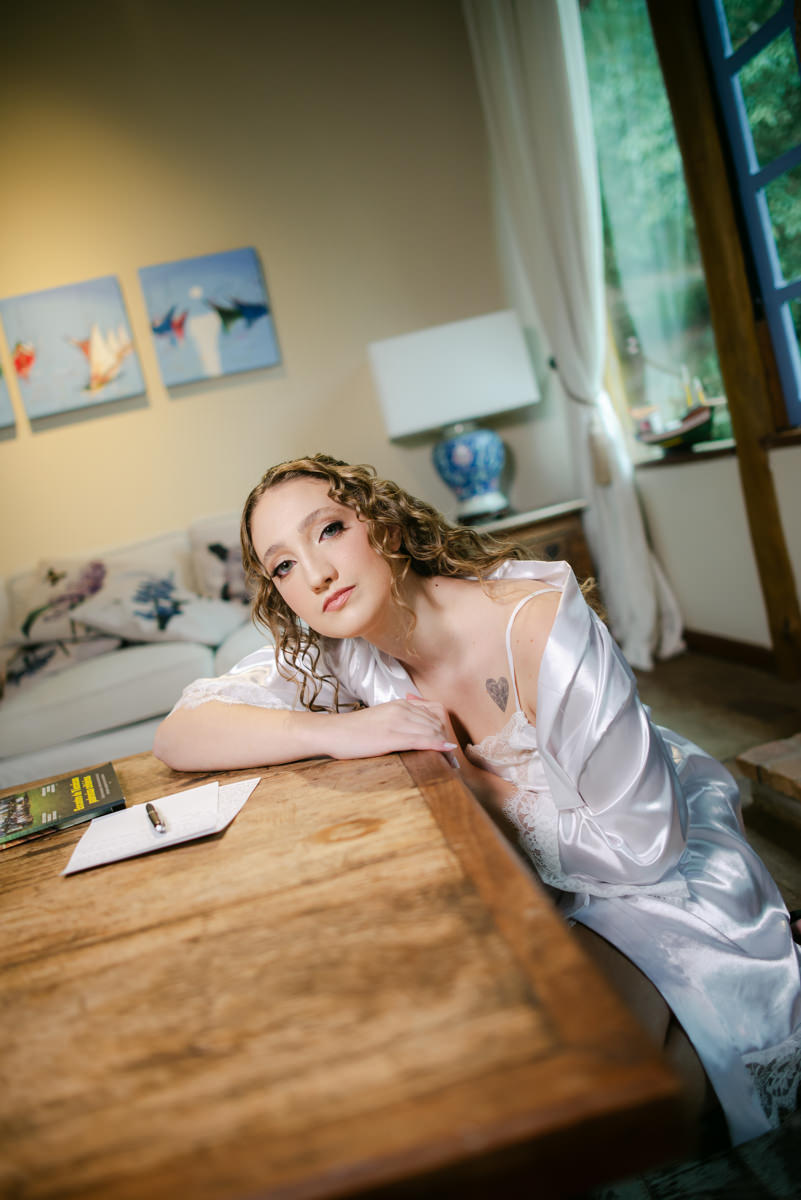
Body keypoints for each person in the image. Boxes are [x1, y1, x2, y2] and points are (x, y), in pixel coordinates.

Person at [154, 453, 801, 1151]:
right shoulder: (344, 652)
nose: (314, 575)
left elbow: (643, 851)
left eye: (329, 530)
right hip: (528, 892)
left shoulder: (536, 623)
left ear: (383, 523)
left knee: (592, 1115)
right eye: (282, 566)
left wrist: (469, 778)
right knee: (477, 1081)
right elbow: (179, 732)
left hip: (657, 887)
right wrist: (341, 732)